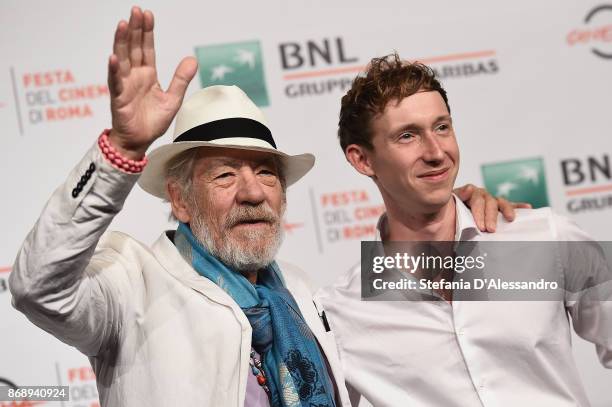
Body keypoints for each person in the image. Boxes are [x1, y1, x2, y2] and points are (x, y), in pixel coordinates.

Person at [9, 8, 518, 407]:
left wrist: (460, 217)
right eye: (225, 174)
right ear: (181, 200)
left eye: (267, 172)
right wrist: (121, 148)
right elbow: (37, 286)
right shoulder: (130, 284)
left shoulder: (310, 296)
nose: (252, 192)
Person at [318, 53, 612, 406]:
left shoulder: (545, 237)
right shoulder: (341, 312)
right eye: (407, 136)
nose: (436, 152)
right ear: (362, 159)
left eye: (442, 127)